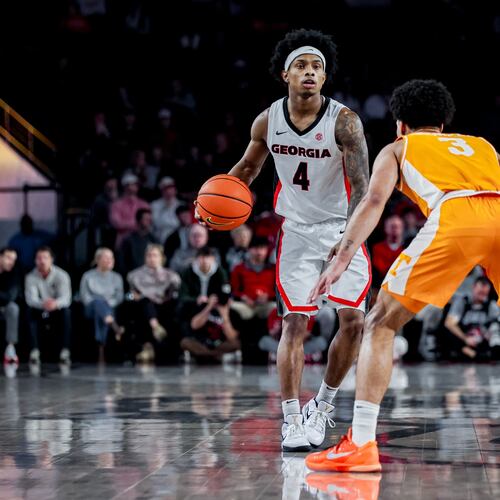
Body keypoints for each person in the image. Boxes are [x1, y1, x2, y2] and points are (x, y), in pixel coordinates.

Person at [305, 79, 500, 472]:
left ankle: (360, 444)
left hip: (457, 216)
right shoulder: (483, 145)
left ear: (400, 124)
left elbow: (374, 201)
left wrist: (342, 255)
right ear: (443, 123)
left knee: (378, 323)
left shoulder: (398, 148)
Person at [197, 29, 370, 451]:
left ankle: (323, 406)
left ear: (324, 78)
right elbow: (246, 170)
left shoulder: (344, 121)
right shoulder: (267, 120)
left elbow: (362, 187)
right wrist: (210, 201)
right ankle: (292, 417)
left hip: (340, 229)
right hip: (295, 232)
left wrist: (348, 240)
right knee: (294, 323)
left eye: (317, 67)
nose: (310, 73)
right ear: (285, 74)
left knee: (355, 322)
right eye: (302, 66)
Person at [178, 247, 241, 363]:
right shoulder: (188, 272)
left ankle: (205, 356)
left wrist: (224, 313)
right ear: (196, 259)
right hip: (197, 307)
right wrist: (207, 306)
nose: (205, 261)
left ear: (213, 259)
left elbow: (232, 337)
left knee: (236, 342)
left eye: (208, 257)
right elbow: (194, 324)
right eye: (202, 257)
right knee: (185, 341)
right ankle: (217, 356)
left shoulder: (220, 272)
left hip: (218, 340)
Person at [127, 244, 181, 363]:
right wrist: (135, 296)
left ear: (162, 258)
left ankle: (155, 348)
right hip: (143, 307)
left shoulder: (171, 276)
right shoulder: (134, 276)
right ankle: (155, 328)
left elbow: (173, 294)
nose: (152, 258)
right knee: (145, 303)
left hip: (164, 306)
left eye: (155, 255)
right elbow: (131, 294)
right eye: (149, 255)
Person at [25, 247, 73, 367]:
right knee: (29, 312)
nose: (42, 261)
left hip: (57, 309)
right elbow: (31, 299)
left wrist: (55, 304)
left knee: (67, 312)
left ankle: (65, 352)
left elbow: (66, 298)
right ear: (35, 260)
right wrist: (44, 304)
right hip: (39, 308)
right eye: (39, 258)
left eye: (45, 257)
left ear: (51, 259)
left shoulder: (62, 275)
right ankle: (34, 352)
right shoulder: (30, 277)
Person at [79, 248, 124, 362]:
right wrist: (99, 303)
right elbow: (85, 296)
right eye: (106, 257)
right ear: (97, 259)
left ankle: (100, 342)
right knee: (98, 302)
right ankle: (114, 327)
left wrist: (107, 304)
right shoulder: (87, 276)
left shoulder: (117, 277)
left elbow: (119, 297)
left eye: (111, 257)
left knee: (102, 308)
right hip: (91, 308)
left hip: (110, 308)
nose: (110, 260)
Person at [444, 277, 499, 360]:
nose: (482, 296)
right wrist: (465, 338)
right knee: (450, 332)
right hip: (464, 340)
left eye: (485, 294)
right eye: (480, 292)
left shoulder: (491, 305)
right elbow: (449, 323)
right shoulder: (463, 302)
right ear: (473, 287)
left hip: (482, 340)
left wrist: (488, 335)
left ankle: (489, 354)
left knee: (495, 327)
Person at [0, 248, 21, 364]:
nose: (11, 262)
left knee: (13, 307)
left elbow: (10, 296)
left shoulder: (14, 273)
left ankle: (10, 348)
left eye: (13, 259)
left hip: (3, 307)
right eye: (8, 258)